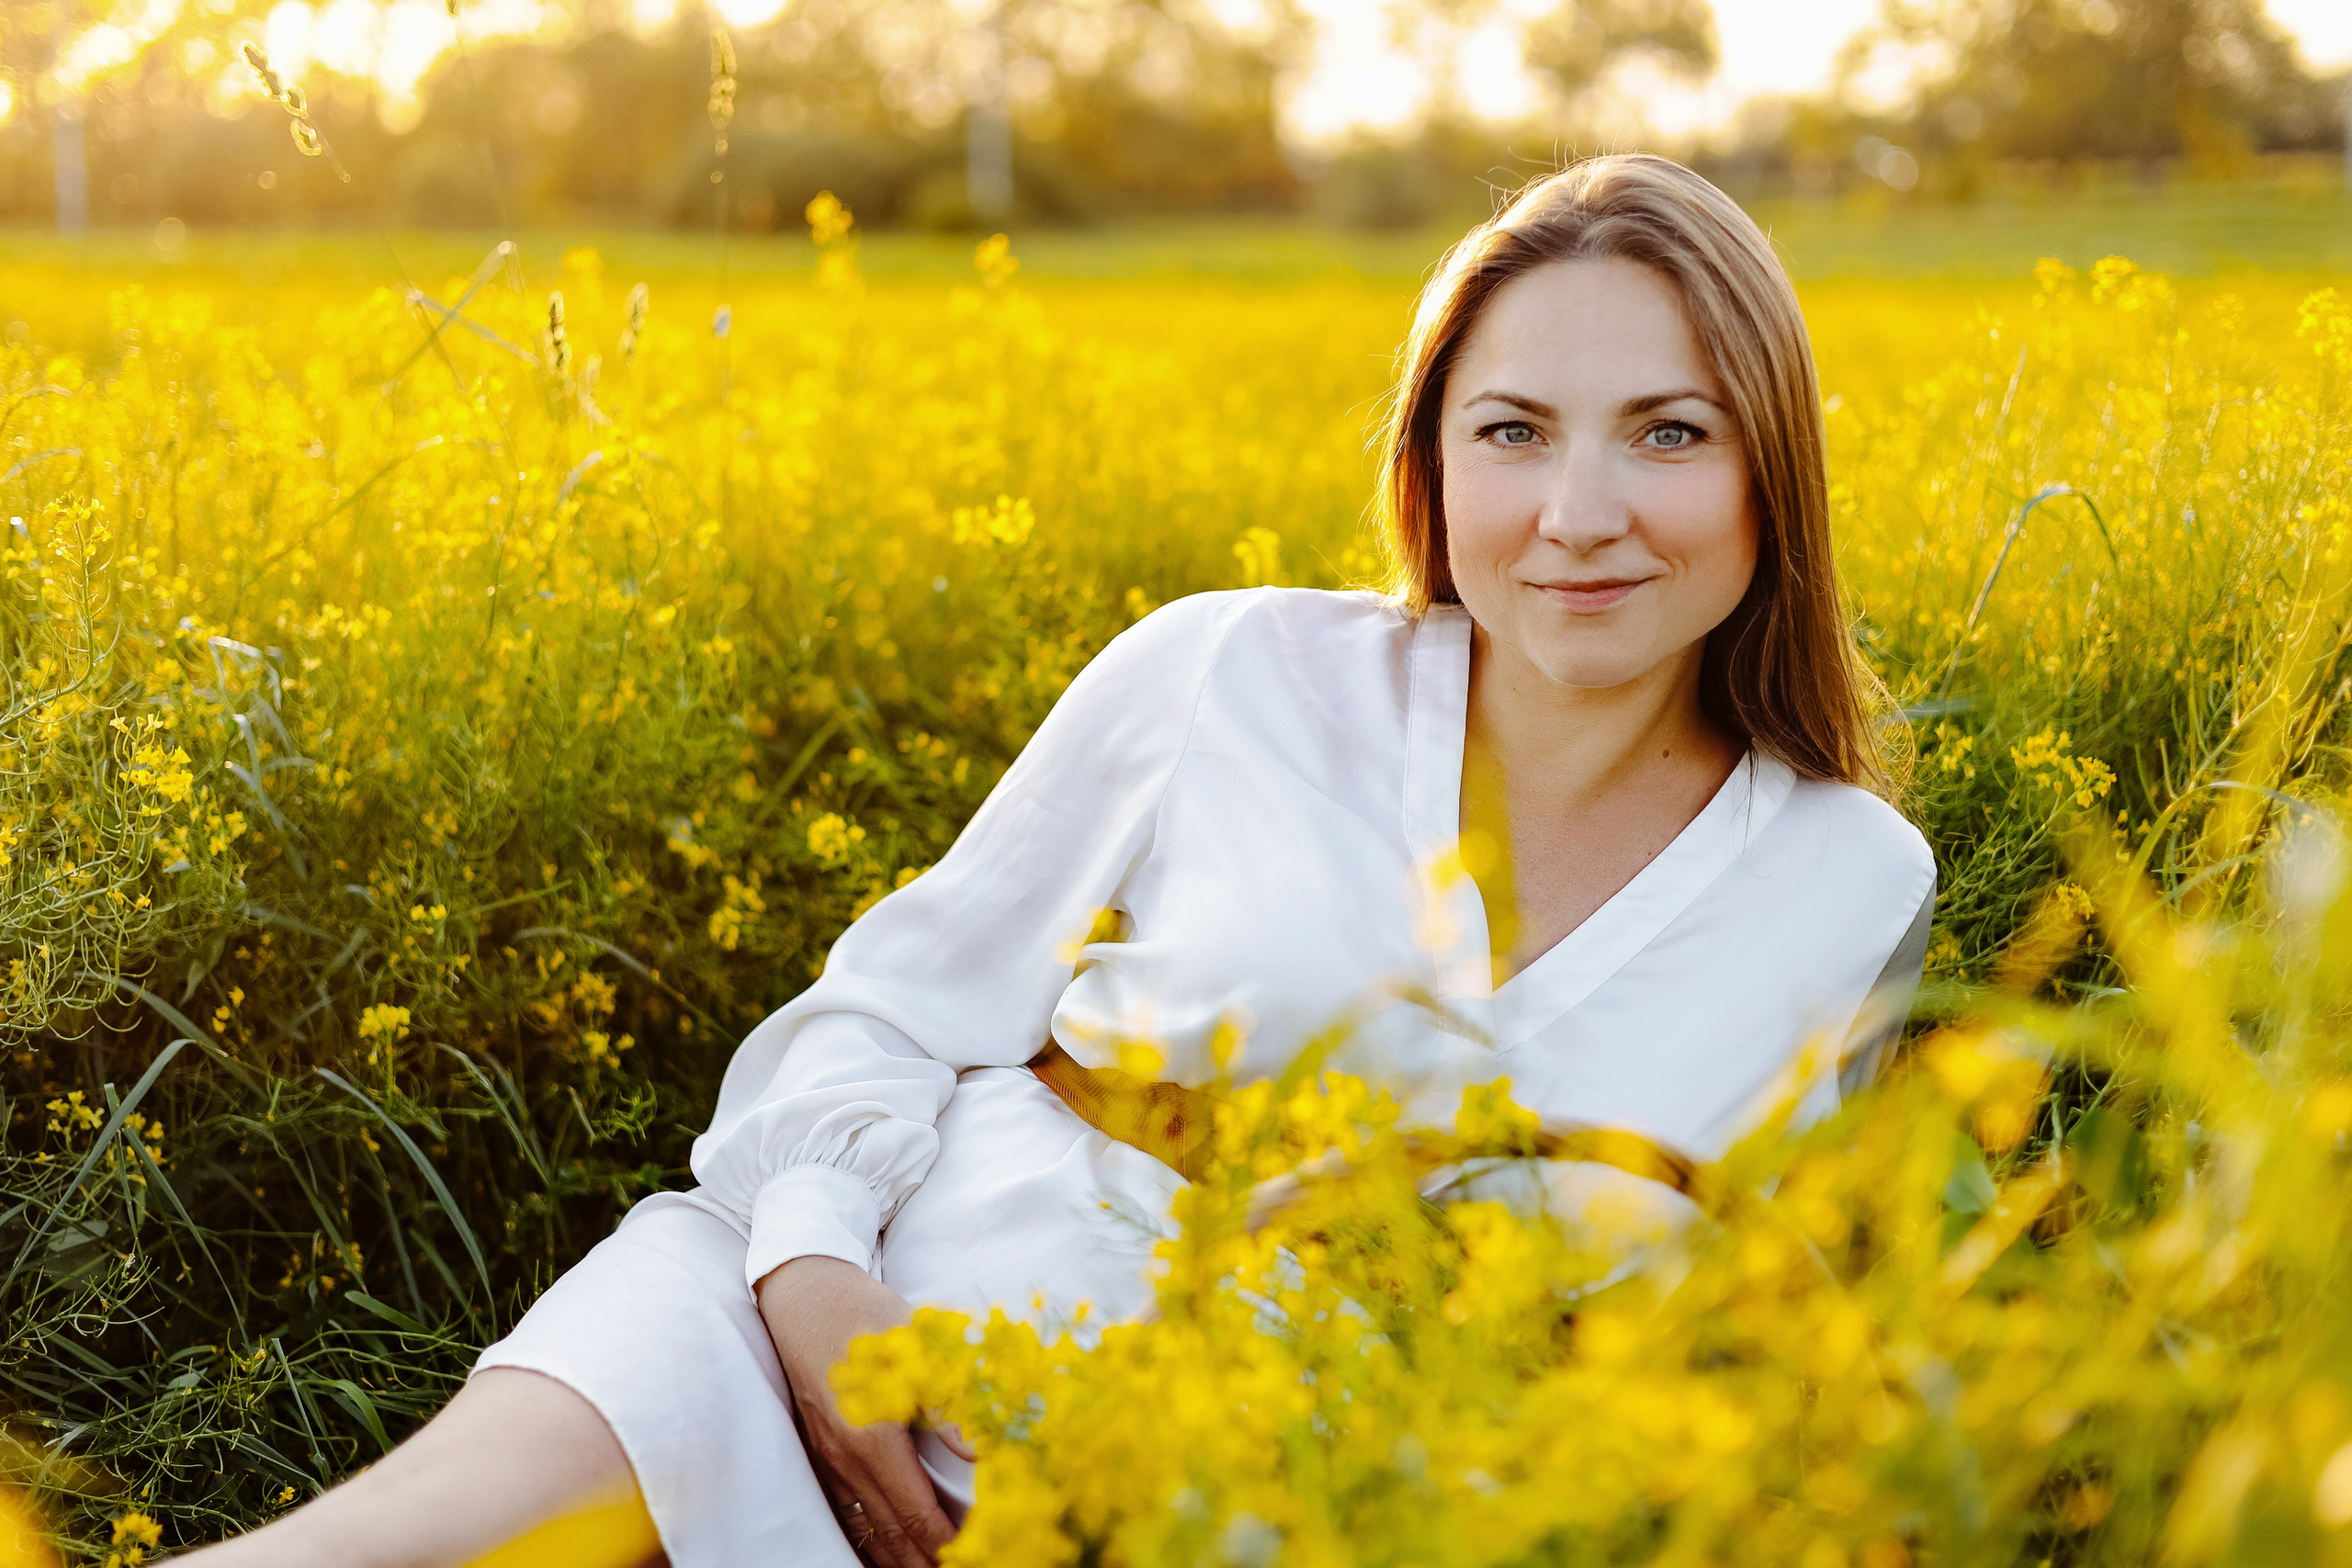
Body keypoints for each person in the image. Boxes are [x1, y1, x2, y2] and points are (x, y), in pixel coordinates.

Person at [190, 152, 1936, 1568]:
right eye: (1512, 430)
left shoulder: (1853, 882)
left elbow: (1739, 1335)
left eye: (1669, 430)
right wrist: (811, 1276)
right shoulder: (1230, 667)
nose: (1577, 513)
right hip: (852, 1320)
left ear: (1772, 469)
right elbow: (884, 1011)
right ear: (1429, 466)